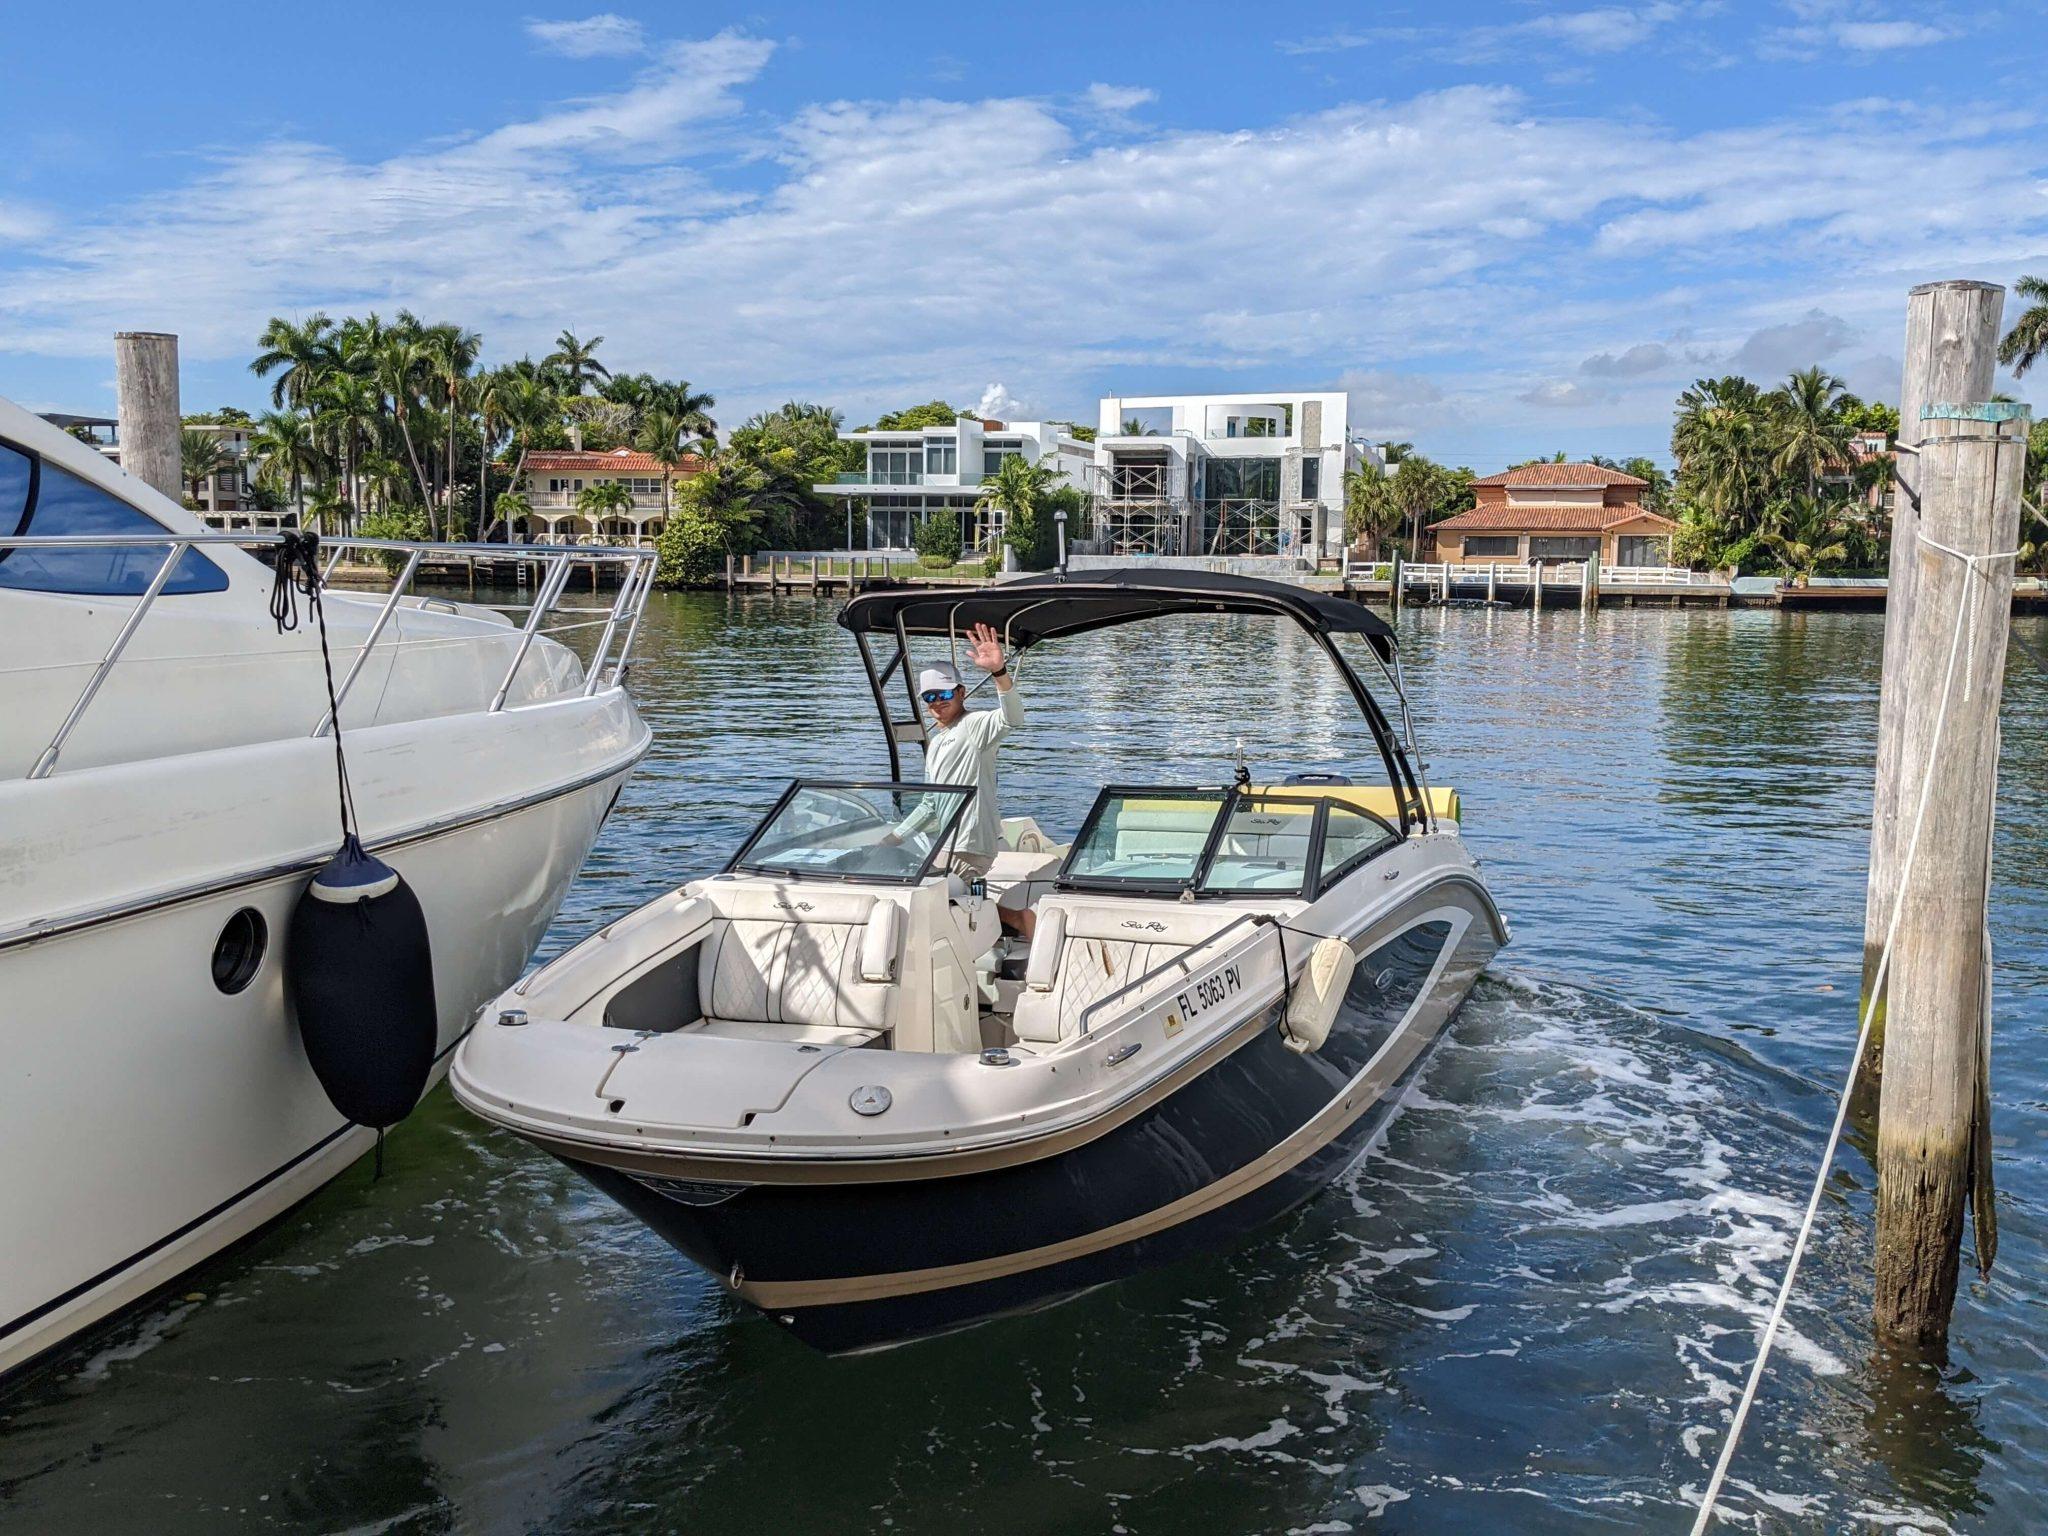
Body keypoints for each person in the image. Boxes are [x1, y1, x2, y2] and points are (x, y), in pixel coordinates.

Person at [893, 621, 1033, 937]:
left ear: (960, 692)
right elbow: (930, 804)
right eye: (929, 696)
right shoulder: (936, 743)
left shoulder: (974, 726)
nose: (937, 701)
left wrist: (999, 672)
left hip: (972, 841)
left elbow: (1013, 718)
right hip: (948, 841)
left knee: (945, 901)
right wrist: (894, 837)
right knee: (959, 898)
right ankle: (1004, 927)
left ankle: (1018, 920)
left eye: (944, 693)